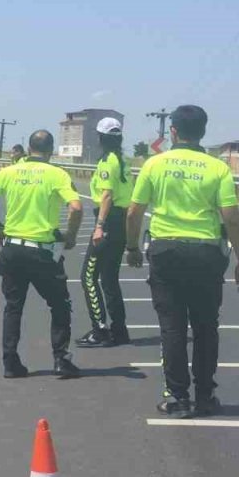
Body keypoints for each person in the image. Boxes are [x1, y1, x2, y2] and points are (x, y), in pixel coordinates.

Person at [126, 105, 239, 419]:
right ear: (204, 132)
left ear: (172, 131)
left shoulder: (155, 164)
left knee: (172, 328)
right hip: (206, 254)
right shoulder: (217, 168)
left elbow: (134, 212)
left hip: (166, 251)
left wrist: (131, 247)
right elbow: (232, 218)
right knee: (207, 326)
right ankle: (206, 395)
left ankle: (178, 398)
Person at [0, 130, 83, 379]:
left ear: (29, 148)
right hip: (42, 252)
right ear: (51, 150)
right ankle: (61, 359)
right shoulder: (57, 174)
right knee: (59, 304)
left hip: (12, 249)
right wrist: (71, 237)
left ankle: (10, 362)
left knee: (13, 307)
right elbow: (75, 207)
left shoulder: (9, 172)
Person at [77, 118, 134, 347]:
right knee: (110, 279)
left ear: (100, 138)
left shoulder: (107, 162)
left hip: (108, 222)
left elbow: (107, 196)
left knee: (88, 276)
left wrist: (99, 226)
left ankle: (99, 329)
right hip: (120, 222)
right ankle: (119, 330)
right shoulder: (122, 160)